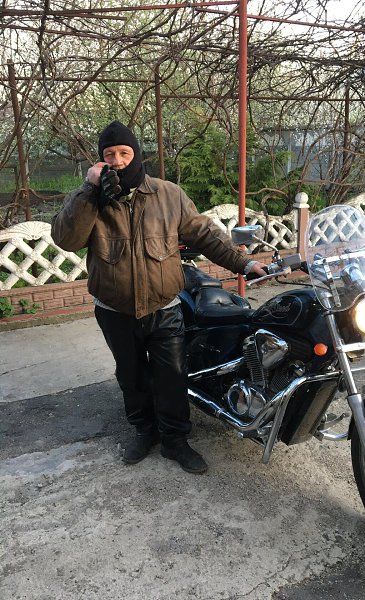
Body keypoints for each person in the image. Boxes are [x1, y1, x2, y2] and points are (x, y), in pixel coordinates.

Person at [51, 120, 267, 474]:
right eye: (109, 154)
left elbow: (204, 235)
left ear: (136, 154)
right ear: (99, 160)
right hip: (114, 309)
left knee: (172, 376)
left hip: (164, 307)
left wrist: (244, 264)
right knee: (132, 376)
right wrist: (90, 191)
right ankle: (144, 431)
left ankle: (175, 441)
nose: (118, 160)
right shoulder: (89, 200)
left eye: (124, 152)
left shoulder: (168, 195)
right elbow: (66, 239)